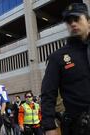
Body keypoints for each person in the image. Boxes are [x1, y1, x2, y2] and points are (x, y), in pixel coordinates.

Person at [41, 2, 90, 135]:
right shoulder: (58, 57)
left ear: (88, 21)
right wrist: (49, 127)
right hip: (80, 127)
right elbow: (48, 94)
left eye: (77, 19)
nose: (73, 23)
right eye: (69, 21)